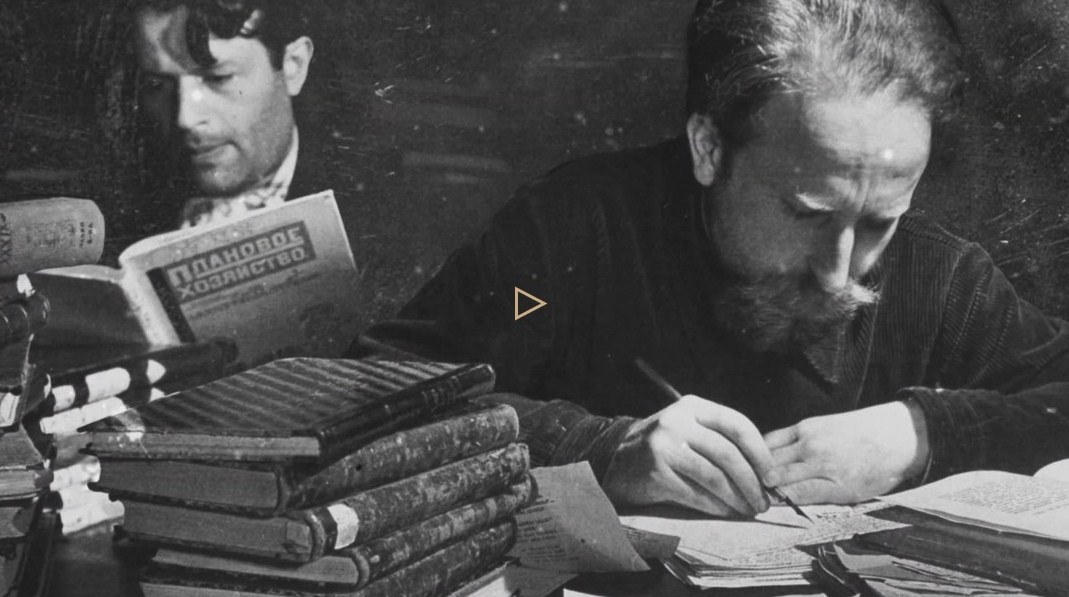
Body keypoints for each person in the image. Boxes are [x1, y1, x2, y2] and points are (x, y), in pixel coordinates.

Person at [351, 0, 1069, 518]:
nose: (839, 271)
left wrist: (925, 432)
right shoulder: (569, 233)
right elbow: (378, 392)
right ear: (708, 148)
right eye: (806, 213)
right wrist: (600, 447)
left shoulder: (941, 278)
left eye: (881, 220)